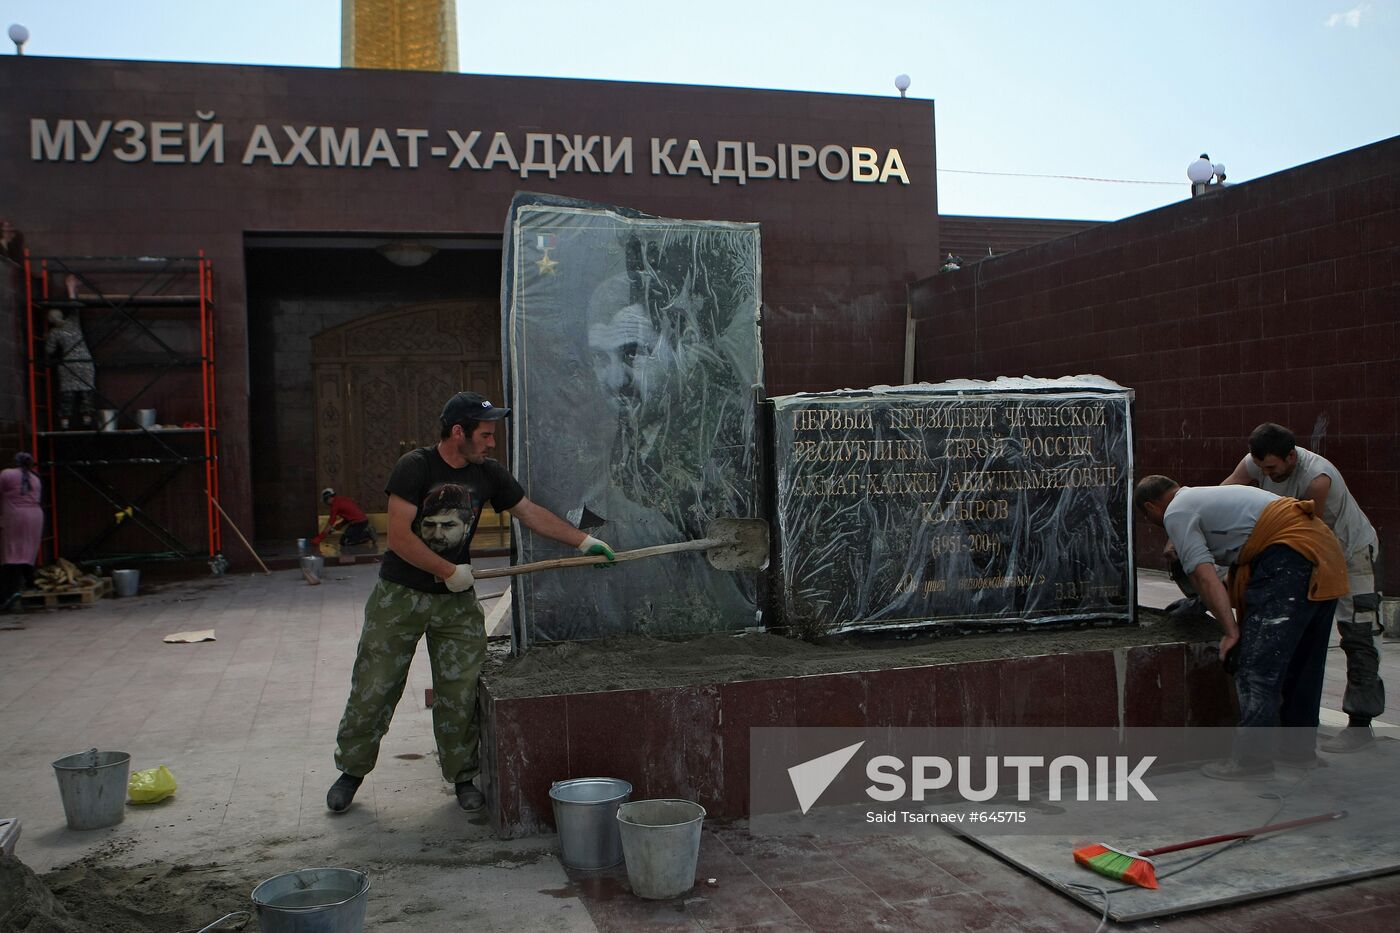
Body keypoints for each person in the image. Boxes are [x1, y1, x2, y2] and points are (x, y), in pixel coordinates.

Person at [327, 391, 616, 813]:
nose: (492, 442)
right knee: (375, 685)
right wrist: (447, 570)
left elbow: (529, 512)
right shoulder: (415, 467)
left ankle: (463, 776)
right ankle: (351, 772)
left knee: (460, 692)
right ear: (458, 432)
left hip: (455, 604)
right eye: (486, 434)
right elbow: (400, 538)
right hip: (400, 597)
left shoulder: (488, 474)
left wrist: (584, 541)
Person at [1135, 475, 1347, 780]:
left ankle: (1252, 760)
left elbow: (1204, 577)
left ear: (1151, 507)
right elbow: (1228, 572)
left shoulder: (1177, 511)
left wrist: (1231, 632)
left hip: (1290, 555)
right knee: (1304, 663)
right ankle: (1298, 752)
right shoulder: (1207, 498)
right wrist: (1200, 606)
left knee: (1256, 666)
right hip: (1322, 552)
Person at [1222, 422, 1384, 752]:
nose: (1267, 474)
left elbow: (1310, 535)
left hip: (1349, 553)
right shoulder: (1256, 462)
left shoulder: (1317, 479)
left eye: (1272, 468)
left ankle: (1360, 724)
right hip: (1304, 552)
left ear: (1291, 457)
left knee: (1358, 633)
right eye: (1262, 468)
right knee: (1295, 629)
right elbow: (1225, 493)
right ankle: (1295, 719)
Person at [45, 275, 96, 430]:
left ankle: (65, 423)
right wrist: (71, 288)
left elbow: (49, 350)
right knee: (86, 393)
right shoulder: (73, 323)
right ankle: (87, 420)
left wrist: (46, 337)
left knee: (67, 395)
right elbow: (74, 306)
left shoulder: (54, 332)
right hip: (85, 362)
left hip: (68, 364)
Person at [0, 453, 43, 610]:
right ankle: (29, 583)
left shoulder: (7, 474)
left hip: (15, 516)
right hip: (35, 517)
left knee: (12, 554)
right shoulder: (35, 479)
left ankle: (8, 593)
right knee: (27, 552)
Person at [311, 487, 376, 549]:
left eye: (325, 501)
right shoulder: (343, 499)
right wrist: (338, 526)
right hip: (363, 521)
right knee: (347, 538)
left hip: (358, 524)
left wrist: (319, 538)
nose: (326, 503)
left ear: (329, 498)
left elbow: (330, 523)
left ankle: (368, 535)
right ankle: (366, 534)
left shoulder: (334, 506)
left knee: (344, 542)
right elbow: (350, 515)